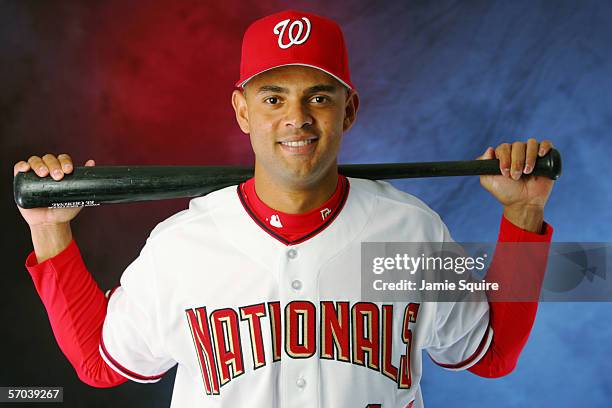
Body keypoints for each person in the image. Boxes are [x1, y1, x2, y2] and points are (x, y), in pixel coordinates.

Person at [14, 9, 555, 408]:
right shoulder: (182, 243)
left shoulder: (410, 231)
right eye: (273, 98)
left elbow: (492, 353)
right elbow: (99, 362)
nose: (297, 118)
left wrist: (523, 218)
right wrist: (50, 235)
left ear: (349, 110)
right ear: (242, 111)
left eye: (318, 96)